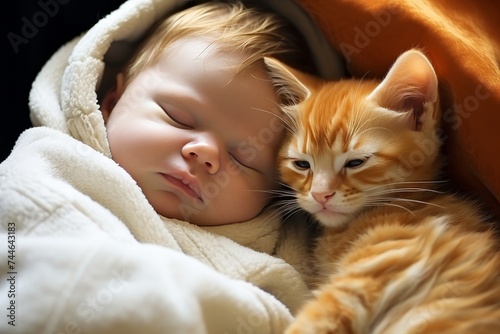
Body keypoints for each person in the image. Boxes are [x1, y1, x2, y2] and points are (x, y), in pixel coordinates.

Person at [0, 0, 343, 333]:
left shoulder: (284, 258)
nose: (206, 153)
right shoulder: (51, 164)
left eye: (244, 158)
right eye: (177, 117)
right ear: (112, 102)